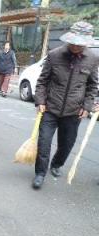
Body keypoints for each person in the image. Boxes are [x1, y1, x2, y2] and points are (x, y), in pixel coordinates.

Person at [32, 21, 99, 189]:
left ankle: (56, 164)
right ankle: (40, 172)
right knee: (44, 142)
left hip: (73, 111)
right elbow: (42, 82)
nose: (76, 46)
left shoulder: (92, 59)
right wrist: (40, 101)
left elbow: (92, 86)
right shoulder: (54, 55)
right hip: (50, 109)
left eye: (80, 43)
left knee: (67, 144)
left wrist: (87, 106)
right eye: (74, 42)